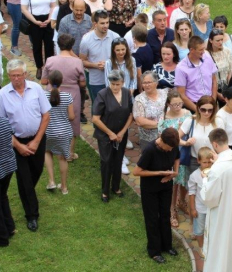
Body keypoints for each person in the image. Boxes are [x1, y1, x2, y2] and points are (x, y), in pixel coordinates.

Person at [0, 59, 51, 232]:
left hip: (37, 138)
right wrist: (18, 146)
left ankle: (27, 194)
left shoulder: (36, 89)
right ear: (8, 76)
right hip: (15, 142)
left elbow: (46, 115)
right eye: (12, 76)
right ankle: (32, 215)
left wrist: (36, 141)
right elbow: (1, 124)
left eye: (19, 75)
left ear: (25, 74)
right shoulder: (2, 94)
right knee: (24, 179)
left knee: (36, 171)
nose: (16, 79)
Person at [200, 128, 232, 271]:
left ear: (215, 144)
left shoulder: (216, 170)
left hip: (223, 215)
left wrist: (205, 180)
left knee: (222, 247)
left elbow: (209, 198)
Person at [133, 128, 180, 264]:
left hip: (166, 185)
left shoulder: (173, 146)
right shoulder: (150, 150)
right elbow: (136, 171)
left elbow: (177, 157)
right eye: (168, 147)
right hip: (150, 189)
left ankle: (167, 246)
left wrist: (175, 172)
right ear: (162, 141)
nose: (171, 150)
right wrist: (159, 173)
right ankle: (154, 251)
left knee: (165, 215)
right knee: (152, 218)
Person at [41, 34, 86, 161]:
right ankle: (70, 153)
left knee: (52, 119)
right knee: (72, 122)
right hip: (73, 94)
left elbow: (44, 81)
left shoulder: (50, 60)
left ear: (59, 45)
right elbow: (83, 83)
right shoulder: (77, 61)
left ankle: (50, 147)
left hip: (52, 94)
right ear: (72, 46)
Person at [92, 70, 133, 202]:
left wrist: (121, 132)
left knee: (118, 160)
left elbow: (131, 114)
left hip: (121, 135)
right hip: (105, 135)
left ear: (123, 82)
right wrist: (110, 133)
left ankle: (116, 187)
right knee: (106, 162)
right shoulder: (102, 94)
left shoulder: (126, 93)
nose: (115, 87)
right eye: (112, 84)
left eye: (118, 84)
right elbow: (96, 119)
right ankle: (105, 191)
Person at [158, 90, 192, 227]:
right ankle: (172, 210)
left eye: (180, 104)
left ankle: (182, 201)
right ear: (168, 104)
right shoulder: (164, 118)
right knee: (173, 184)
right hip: (171, 155)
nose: (178, 107)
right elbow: (161, 139)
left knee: (184, 180)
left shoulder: (188, 114)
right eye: (174, 104)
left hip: (186, 153)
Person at [21, 0, 57, 79]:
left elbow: (52, 5)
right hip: (34, 19)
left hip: (47, 18)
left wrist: (50, 18)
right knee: (36, 45)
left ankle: (49, 67)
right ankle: (39, 67)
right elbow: (24, 9)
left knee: (49, 45)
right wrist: (35, 21)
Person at [43, 70, 74, 195]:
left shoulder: (43, 96)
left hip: (47, 131)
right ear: (62, 81)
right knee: (62, 158)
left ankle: (51, 181)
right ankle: (64, 187)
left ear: (48, 82)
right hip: (64, 132)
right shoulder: (67, 96)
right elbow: (71, 117)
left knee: (47, 152)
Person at [79, 10, 121, 102]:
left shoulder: (115, 37)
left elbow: (122, 58)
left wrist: (108, 64)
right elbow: (82, 60)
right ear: (95, 24)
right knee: (98, 107)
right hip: (96, 80)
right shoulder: (86, 40)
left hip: (114, 80)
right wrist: (96, 65)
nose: (105, 26)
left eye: (107, 22)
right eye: (102, 23)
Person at [179, 96, 224, 177]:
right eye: (203, 110)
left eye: (210, 110)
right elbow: (176, 138)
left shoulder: (218, 122)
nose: (206, 113)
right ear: (198, 108)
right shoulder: (190, 120)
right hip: (195, 160)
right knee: (194, 185)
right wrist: (186, 143)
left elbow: (223, 143)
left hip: (213, 160)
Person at [175, 36, 218, 112]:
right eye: (200, 50)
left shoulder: (207, 57)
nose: (203, 52)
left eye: (204, 49)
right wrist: (198, 111)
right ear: (192, 50)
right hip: (194, 105)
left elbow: (214, 80)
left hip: (211, 102)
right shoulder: (181, 68)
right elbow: (181, 94)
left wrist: (213, 102)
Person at [133, 70, 170, 146]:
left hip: (167, 136)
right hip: (149, 139)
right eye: (144, 83)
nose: (146, 85)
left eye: (149, 82)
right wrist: (162, 125)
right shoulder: (139, 99)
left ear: (156, 83)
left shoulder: (165, 93)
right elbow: (140, 121)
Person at [188, 146, 213, 253]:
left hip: (212, 208)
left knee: (211, 228)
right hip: (200, 208)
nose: (207, 165)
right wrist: (193, 209)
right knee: (199, 229)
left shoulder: (215, 173)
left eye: (209, 162)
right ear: (198, 161)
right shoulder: (194, 176)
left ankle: (211, 246)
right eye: (204, 162)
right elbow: (192, 194)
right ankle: (202, 247)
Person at [0, 116, 16, 247]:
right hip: (9, 166)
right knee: (2, 196)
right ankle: (10, 227)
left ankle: (2, 238)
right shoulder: (4, 120)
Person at [207, 29, 232, 104]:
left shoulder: (227, 51)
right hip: (212, 88)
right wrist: (217, 94)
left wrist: (229, 88)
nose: (220, 42)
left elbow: (230, 70)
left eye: (222, 40)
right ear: (211, 40)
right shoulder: (207, 55)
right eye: (217, 40)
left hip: (226, 86)